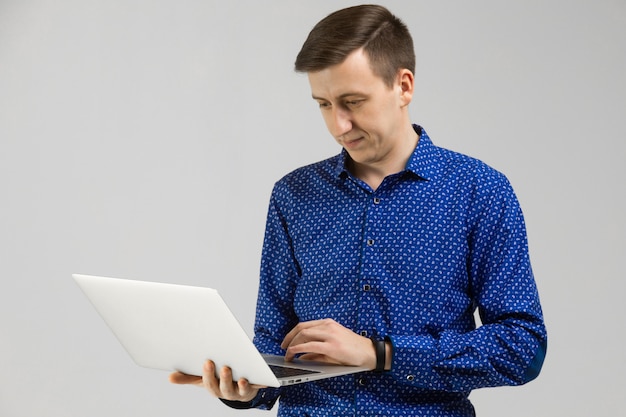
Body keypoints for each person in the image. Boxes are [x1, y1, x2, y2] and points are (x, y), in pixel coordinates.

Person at [170, 4, 547, 416]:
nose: (338, 126)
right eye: (324, 104)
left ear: (403, 86)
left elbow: (521, 347)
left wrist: (379, 353)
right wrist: (243, 386)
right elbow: (272, 343)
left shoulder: (480, 192)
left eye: (353, 102)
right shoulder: (293, 196)